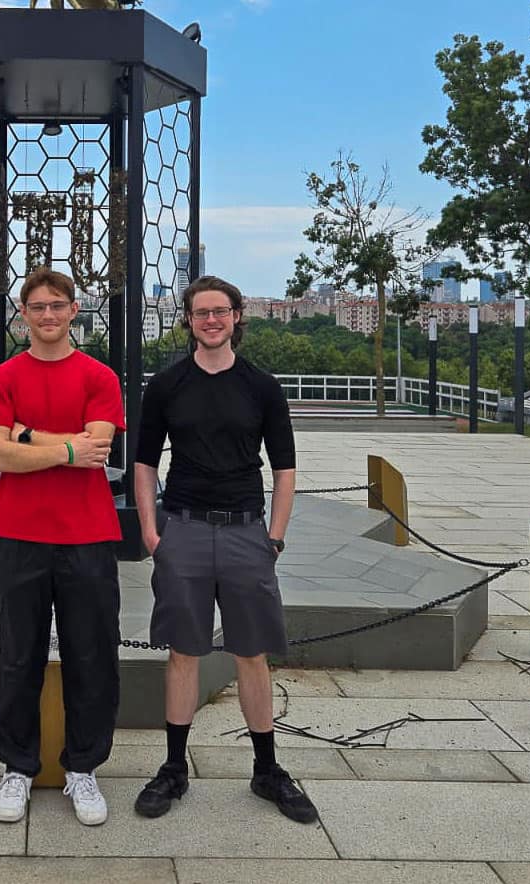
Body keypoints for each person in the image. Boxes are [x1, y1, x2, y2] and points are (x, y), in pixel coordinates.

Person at [132, 275, 318, 825]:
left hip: (245, 530)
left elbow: (284, 468)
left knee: (252, 653)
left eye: (221, 311)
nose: (211, 320)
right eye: (200, 312)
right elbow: (144, 463)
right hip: (183, 527)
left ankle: (266, 770)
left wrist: (275, 537)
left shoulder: (262, 387)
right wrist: (151, 530)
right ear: (187, 320)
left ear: (238, 316)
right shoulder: (166, 385)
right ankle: (173, 769)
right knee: (183, 652)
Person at [0, 266, 125, 826]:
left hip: (88, 533)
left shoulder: (99, 376)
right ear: (24, 314)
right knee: (18, 655)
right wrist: (63, 449)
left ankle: (83, 768)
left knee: (93, 654)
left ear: (73, 311)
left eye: (57, 306)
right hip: (17, 533)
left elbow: (100, 447)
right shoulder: (1, 378)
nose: (48, 315)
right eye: (37, 307)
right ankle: (18, 765)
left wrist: (30, 436)